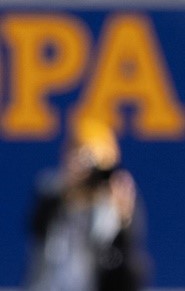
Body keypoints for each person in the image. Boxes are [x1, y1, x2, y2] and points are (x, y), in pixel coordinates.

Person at [25, 117, 148, 291]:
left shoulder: (116, 204)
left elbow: (127, 273)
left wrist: (122, 224)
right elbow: (36, 230)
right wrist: (67, 193)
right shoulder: (52, 192)